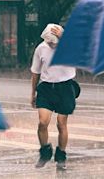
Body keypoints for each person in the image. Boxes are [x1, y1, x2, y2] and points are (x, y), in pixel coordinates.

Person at [30, 23, 80, 170]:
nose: (52, 44)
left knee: (61, 124)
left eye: (55, 41)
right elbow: (35, 72)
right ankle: (45, 152)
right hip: (46, 88)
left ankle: (61, 156)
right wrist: (33, 92)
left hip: (65, 87)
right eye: (49, 41)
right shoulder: (41, 49)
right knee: (42, 123)